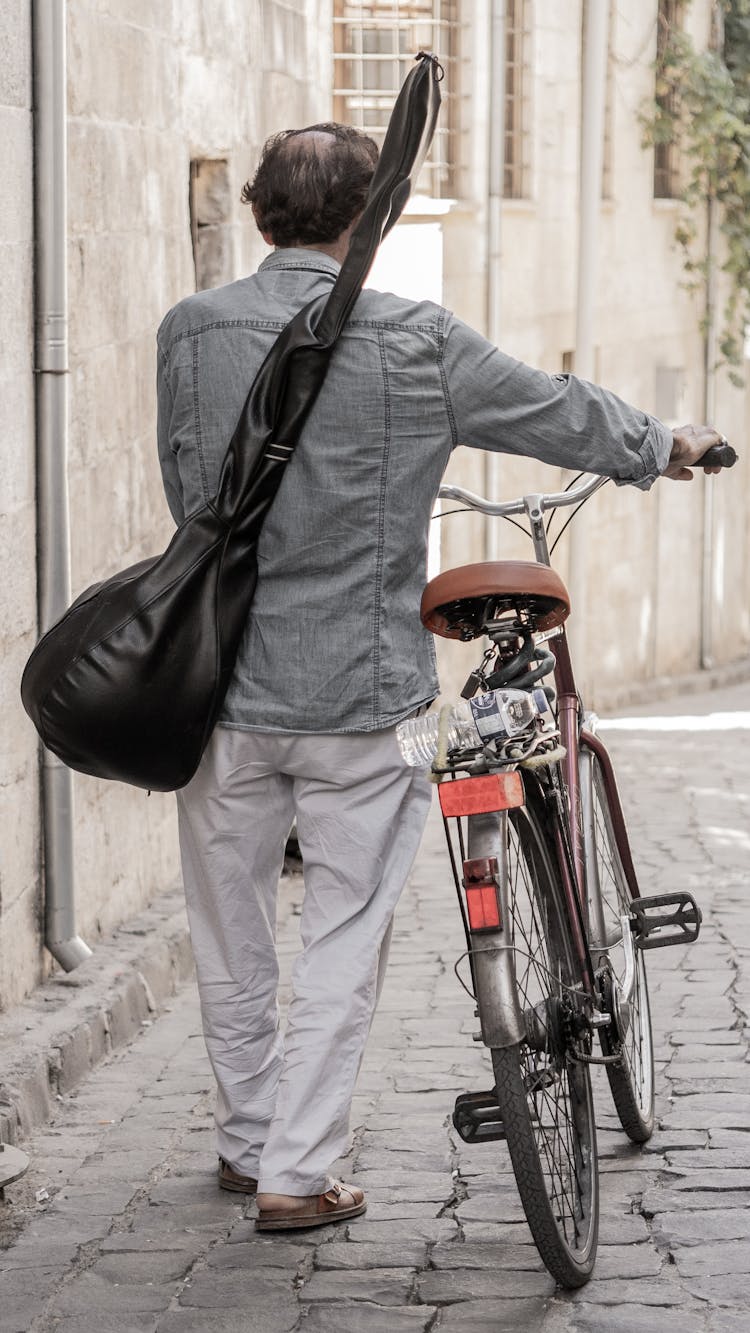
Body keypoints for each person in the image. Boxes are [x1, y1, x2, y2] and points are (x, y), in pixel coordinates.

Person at [156, 122, 722, 1231]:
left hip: (216, 690)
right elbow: (556, 410)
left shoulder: (189, 331)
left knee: (228, 930)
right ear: (374, 220)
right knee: (341, 933)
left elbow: (189, 494)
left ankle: (243, 1141)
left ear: (264, 217)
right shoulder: (413, 337)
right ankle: (296, 1169)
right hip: (364, 699)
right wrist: (666, 442)